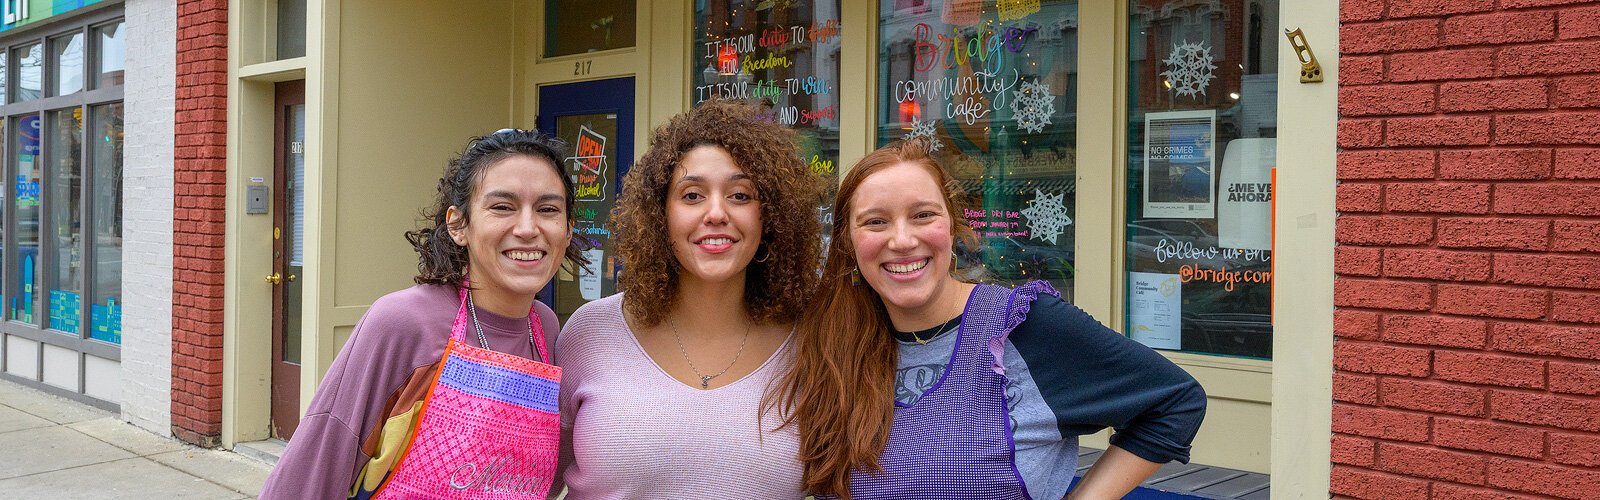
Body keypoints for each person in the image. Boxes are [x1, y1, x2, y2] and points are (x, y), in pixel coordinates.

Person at [770, 138, 1207, 500]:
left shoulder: (1022, 326)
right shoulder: (831, 344)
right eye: (875, 222)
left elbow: (1175, 400)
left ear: (954, 227)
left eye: (923, 215)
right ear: (848, 242)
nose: (902, 240)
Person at [260, 129, 585, 499]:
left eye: (547, 209)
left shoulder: (544, 327)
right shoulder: (402, 321)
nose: (528, 228)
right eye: (502, 206)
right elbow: (313, 469)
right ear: (458, 225)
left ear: (568, 229)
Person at [555, 100, 822, 498]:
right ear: (660, 213)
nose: (716, 213)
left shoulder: (812, 342)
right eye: (692, 195)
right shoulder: (589, 333)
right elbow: (528, 480)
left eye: (741, 195)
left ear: (771, 216)